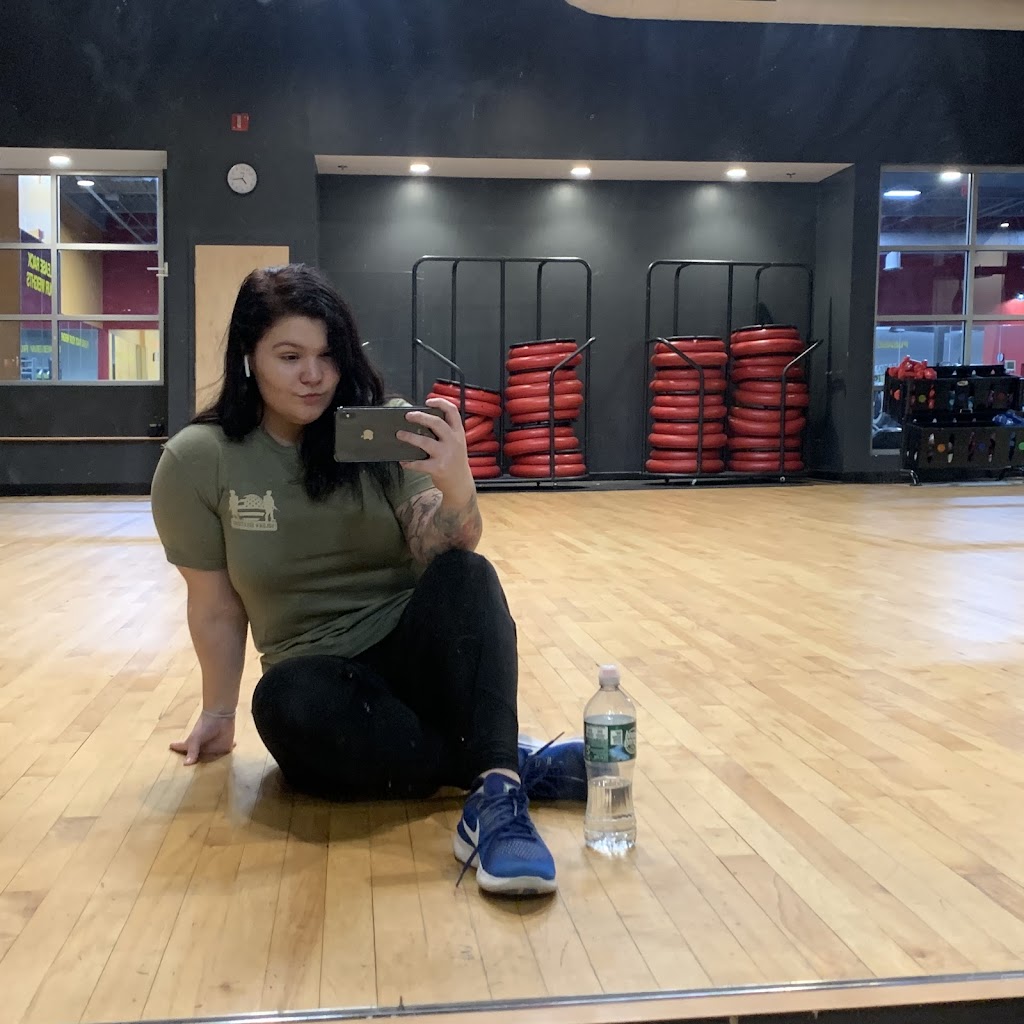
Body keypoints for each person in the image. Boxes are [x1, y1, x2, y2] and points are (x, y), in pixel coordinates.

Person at [149, 263, 586, 897]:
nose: (313, 374)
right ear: (248, 355)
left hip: (418, 661)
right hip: (325, 683)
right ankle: (498, 760)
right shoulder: (198, 460)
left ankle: (497, 795)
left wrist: (456, 482)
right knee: (282, 704)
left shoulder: (383, 429)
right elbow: (215, 606)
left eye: (328, 355)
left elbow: (441, 546)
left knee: (468, 574)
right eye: (290, 356)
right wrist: (218, 711)